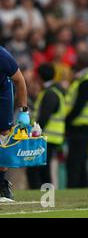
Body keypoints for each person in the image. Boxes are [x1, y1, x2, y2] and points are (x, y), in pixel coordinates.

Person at [27, 63, 66, 189]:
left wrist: (33, 134)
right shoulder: (54, 91)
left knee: (38, 169)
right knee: (42, 168)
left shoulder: (50, 93)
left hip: (46, 137)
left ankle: (45, 195)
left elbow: (43, 118)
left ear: (39, 77)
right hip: (50, 137)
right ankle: (47, 196)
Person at [65, 52, 88, 188]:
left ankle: (74, 185)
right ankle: (82, 184)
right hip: (87, 124)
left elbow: (79, 105)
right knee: (81, 158)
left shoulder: (87, 80)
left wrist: (67, 120)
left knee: (75, 159)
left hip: (82, 125)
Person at [0, 46, 30, 202]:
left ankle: (1, 184)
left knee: (4, 137)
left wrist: (23, 111)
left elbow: (20, 80)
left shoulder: (2, 55)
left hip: (2, 93)